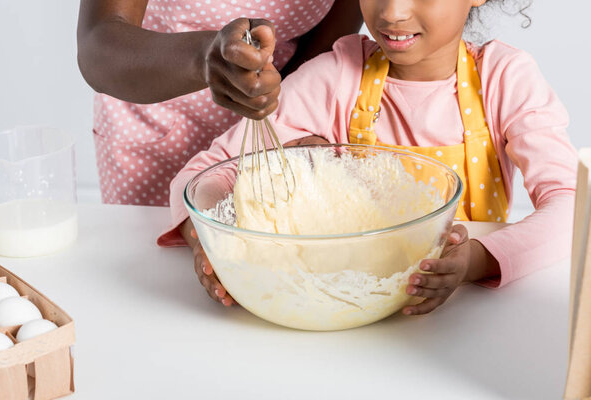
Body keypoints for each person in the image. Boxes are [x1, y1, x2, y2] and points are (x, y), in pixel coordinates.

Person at [159, 0, 577, 314]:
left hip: (477, 312)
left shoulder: (504, 80)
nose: (392, 12)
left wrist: (476, 261)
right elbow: (202, 176)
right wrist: (214, 243)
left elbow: (574, 205)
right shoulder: (335, 77)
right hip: (343, 303)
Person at [77, 0, 363, 205]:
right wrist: (205, 59)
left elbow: (340, 22)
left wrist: (289, 107)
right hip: (155, 124)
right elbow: (97, 44)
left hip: (274, 129)